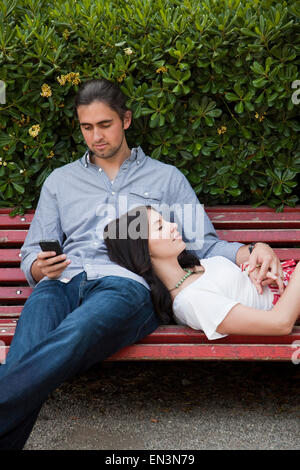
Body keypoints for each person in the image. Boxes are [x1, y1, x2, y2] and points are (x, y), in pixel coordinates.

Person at [0, 78, 283, 449]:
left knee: (75, 335)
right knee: (26, 353)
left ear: (126, 120)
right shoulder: (60, 182)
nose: (96, 136)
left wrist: (255, 247)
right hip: (61, 281)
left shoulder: (165, 178)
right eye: (87, 127)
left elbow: (206, 243)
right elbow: (30, 255)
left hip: (126, 285)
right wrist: (40, 269)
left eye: (105, 125)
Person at [103, 205, 299, 340]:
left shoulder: (195, 267)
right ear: (144, 250)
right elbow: (279, 323)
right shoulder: (191, 301)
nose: (173, 226)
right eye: (160, 226)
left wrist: (255, 272)